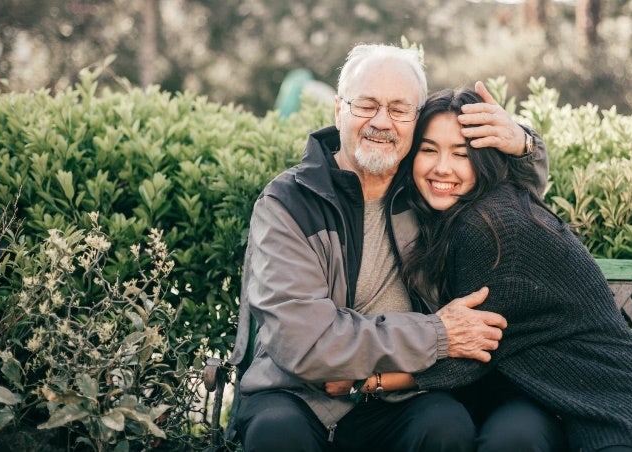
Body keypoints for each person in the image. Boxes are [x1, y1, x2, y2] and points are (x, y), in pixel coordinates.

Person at [229, 44, 549, 451]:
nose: (382, 122)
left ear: (416, 120)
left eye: (399, 109)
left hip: (395, 397)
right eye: (367, 105)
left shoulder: (428, 191)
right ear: (338, 110)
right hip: (296, 396)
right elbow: (305, 343)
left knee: (446, 425)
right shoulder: (289, 203)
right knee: (277, 434)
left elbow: (510, 198)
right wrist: (436, 334)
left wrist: (523, 144)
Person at [366, 88, 632, 451]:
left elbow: (467, 357)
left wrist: (368, 382)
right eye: (428, 149)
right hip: (543, 398)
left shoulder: (490, 226)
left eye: (461, 154)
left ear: (484, 161)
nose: (442, 167)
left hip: (605, 406)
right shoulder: (474, 208)